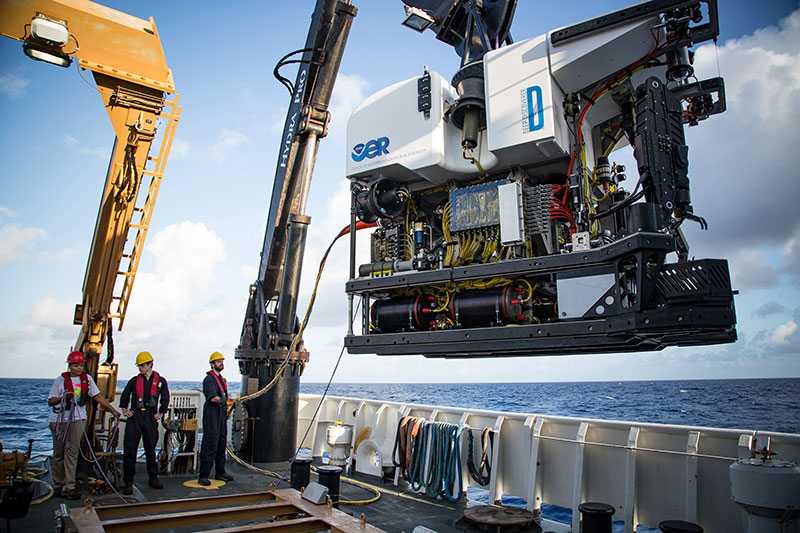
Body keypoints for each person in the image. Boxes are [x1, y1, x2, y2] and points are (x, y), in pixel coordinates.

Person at [47, 350, 121, 500]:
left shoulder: (87, 380)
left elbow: (97, 396)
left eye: (81, 365)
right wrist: (63, 397)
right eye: (76, 365)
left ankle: (69, 487)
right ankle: (58, 485)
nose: (79, 368)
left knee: (72, 452)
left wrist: (113, 410)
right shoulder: (60, 381)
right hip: (59, 420)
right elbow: (50, 401)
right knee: (59, 453)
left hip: (78, 419)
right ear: (70, 366)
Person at [119, 351, 170, 494]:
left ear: (150, 364)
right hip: (135, 416)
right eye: (139, 366)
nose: (140, 368)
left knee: (150, 448)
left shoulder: (161, 381)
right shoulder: (134, 381)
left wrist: (161, 412)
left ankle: (153, 477)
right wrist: (125, 410)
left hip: (150, 416)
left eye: (143, 365)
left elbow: (165, 397)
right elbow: (125, 396)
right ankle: (128, 481)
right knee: (130, 449)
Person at [198, 351, 234, 486]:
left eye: (222, 361)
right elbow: (213, 397)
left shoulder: (220, 379)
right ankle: (203, 475)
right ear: (212, 364)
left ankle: (220, 472)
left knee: (221, 442)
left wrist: (227, 402)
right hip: (212, 413)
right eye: (219, 361)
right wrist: (227, 401)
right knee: (210, 443)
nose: (221, 363)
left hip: (220, 413)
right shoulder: (209, 380)